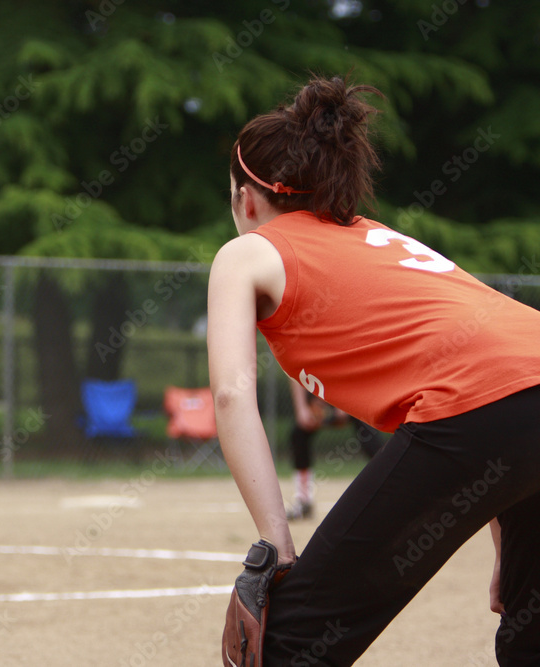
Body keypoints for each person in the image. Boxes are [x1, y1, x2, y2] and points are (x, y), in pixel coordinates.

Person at [207, 76, 540, 665]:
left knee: (287, 646)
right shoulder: (377, 236)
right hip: (515, 386)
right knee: (530, 634)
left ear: (245, 199)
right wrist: (512, 546)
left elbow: (232, 394)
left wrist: (277, 547)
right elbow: (505, 367)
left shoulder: (248, 251)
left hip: (477, 409)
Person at [284, 378, 384, 520]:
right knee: (298, 434)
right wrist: (301, 409)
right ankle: (303, 501)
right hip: (320, 397)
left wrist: (343, 402)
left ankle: (390, 490)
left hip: (349, 392)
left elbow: (350, 366)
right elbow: (293, 375)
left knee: (368, 434)